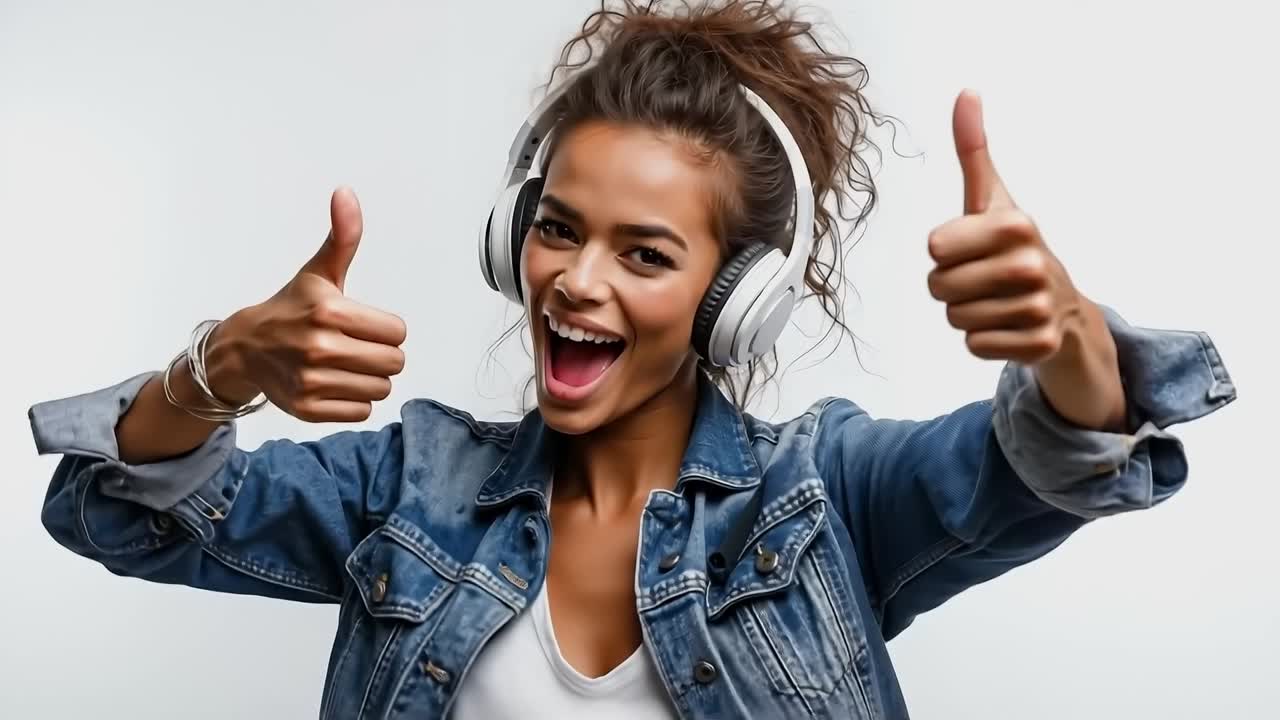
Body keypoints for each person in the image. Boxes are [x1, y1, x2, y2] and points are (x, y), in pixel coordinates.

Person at [27, 1, 1235, 718]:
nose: (575, 279)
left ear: (734, 300)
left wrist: (1065, 328)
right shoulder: (409, 493)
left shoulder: (822, 500)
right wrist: (217, 365)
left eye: (643, 252)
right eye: (556, 227)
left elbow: (1053, 461)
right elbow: (128, 513)